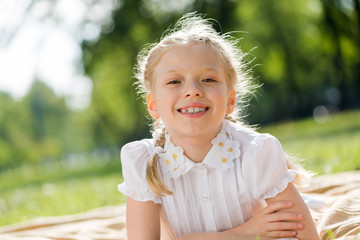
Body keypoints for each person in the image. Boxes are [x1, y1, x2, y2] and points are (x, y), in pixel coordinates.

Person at [118, 13, 320, 240]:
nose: (192, 90)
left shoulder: (255, 153)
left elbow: (307, 236)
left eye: (208, 79)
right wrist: (245, 232)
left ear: (230, 99)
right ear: (153, 105)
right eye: (174, 81)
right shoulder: (143, 162)